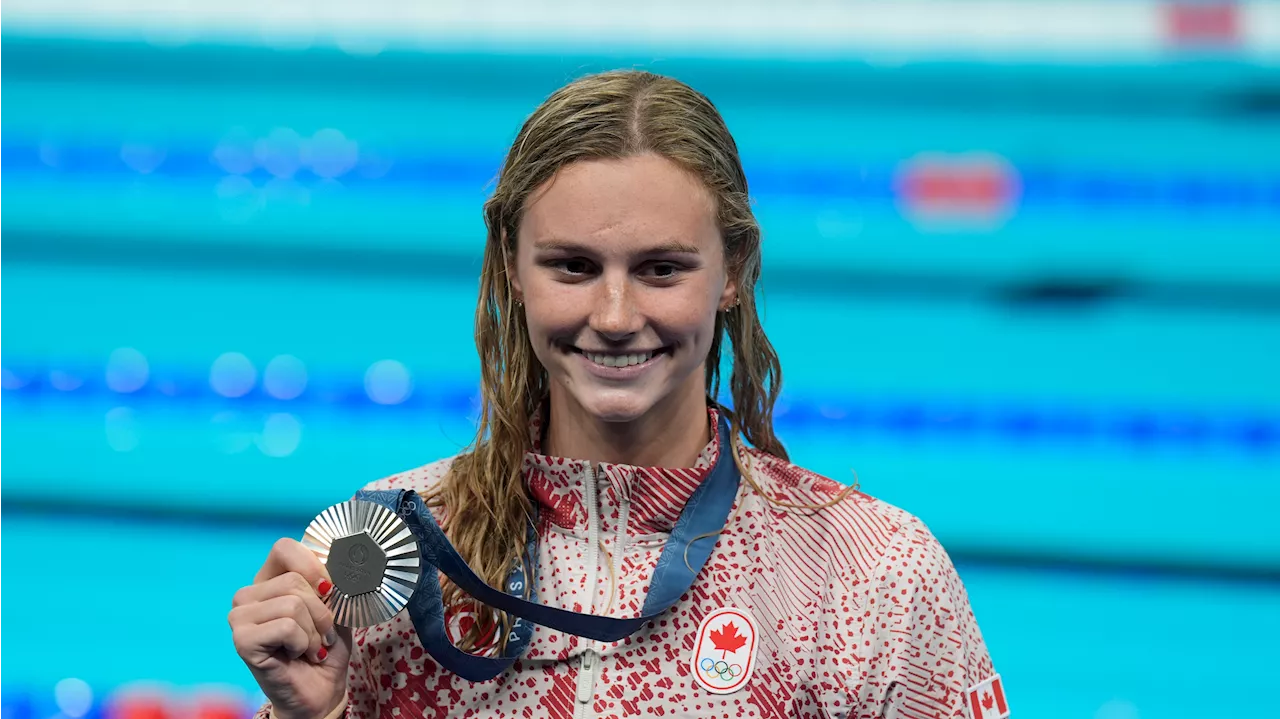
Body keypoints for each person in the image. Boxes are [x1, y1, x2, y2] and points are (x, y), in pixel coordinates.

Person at [229, 69, 1000, 718]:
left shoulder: (871, 576)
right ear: (512, 267)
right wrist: (314, 714)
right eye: (572, 266)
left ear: (733, 270)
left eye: (662, 268)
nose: (616, 317)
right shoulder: (388, 557)